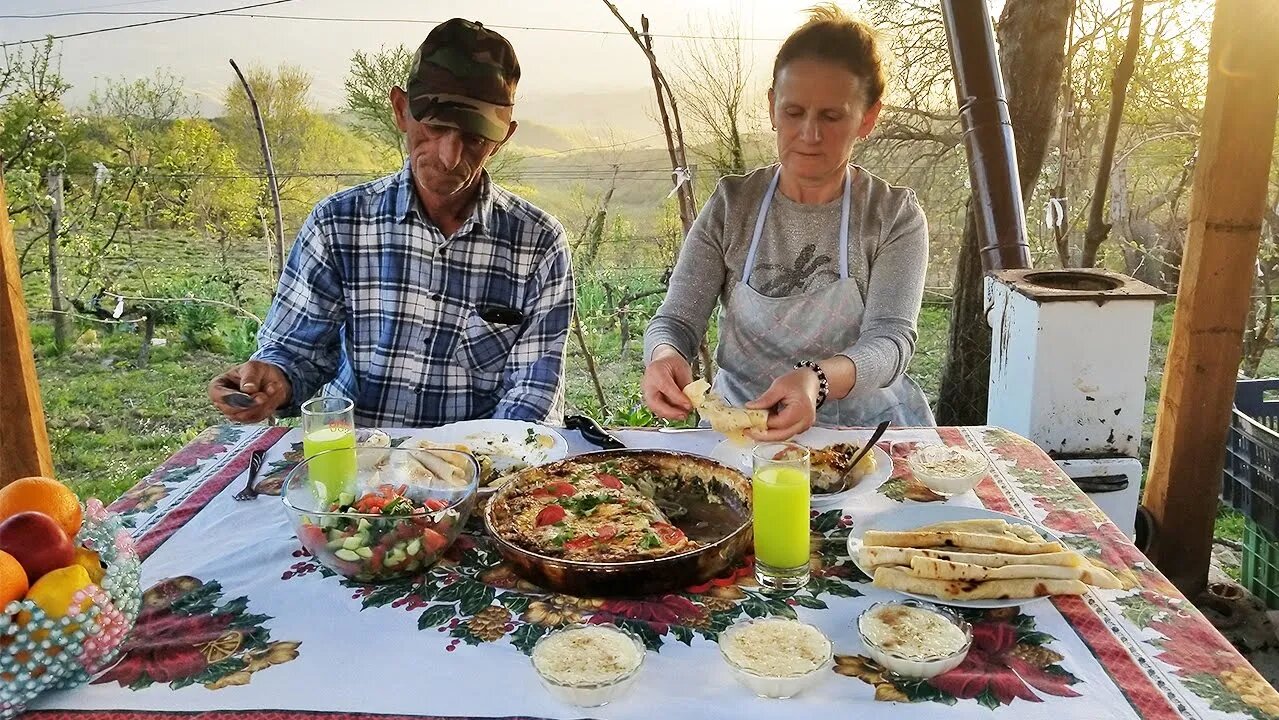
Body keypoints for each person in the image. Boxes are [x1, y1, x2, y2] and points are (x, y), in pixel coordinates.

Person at [208, 18, 574, 427]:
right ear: (401, 110)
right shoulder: (338, 225)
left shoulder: (538, 243)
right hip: (357, 459)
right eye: (434, 127)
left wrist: (491, 467)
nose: (449, 156)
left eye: (475, 138)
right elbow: (295, 351)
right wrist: (270, 381)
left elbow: (532, 392)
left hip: (479, 467)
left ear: (504, 136)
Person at [642, 5, 934, 441]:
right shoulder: (732, 205)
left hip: (860, 437)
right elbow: (677, 320)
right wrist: (663, 356)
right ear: (772, 107)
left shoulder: (892, 216)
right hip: (739, 430)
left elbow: (891, 343)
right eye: (794, 112)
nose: (809, 134)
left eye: (831, 116)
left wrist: (814, 379)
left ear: (868, 118)